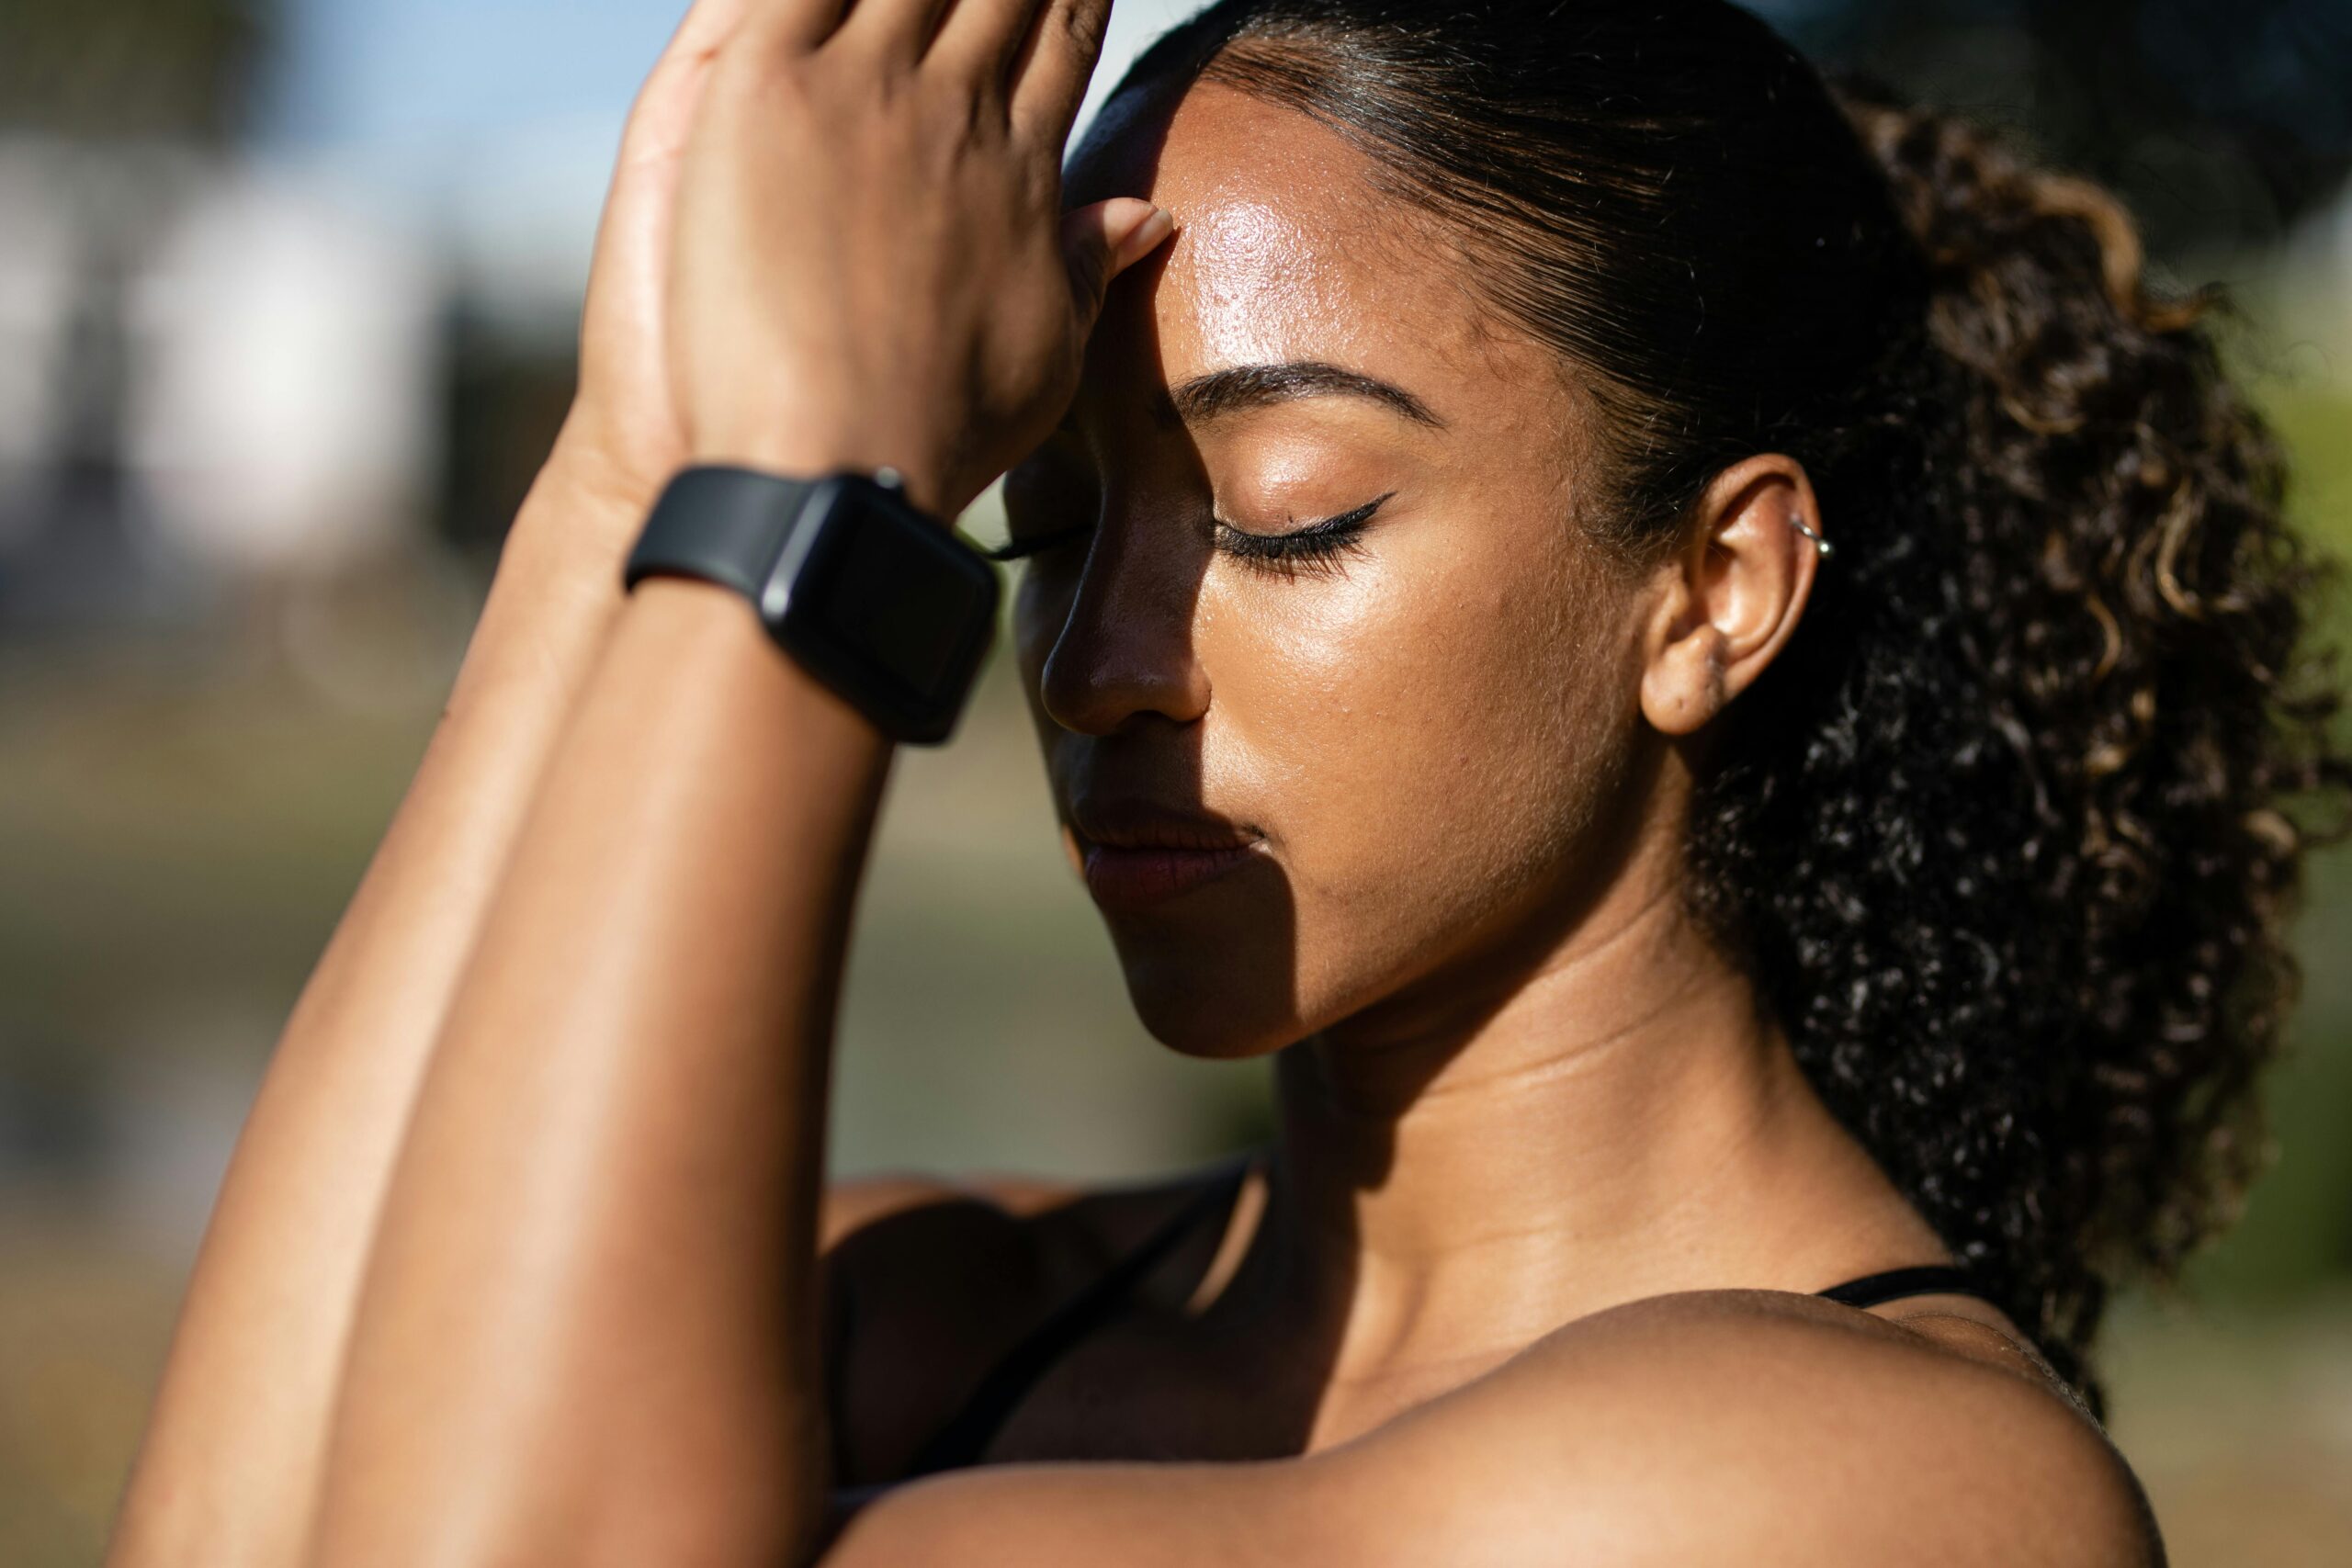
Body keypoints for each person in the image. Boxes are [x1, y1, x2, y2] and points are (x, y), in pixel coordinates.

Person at [107, 0, 2347, 1563]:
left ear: (1711, 587)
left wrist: (806, 501)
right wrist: (635, 451)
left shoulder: (1874, 1496)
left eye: (1281, 513)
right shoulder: (914, 1297)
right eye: (1040, 530)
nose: (1090, 670)